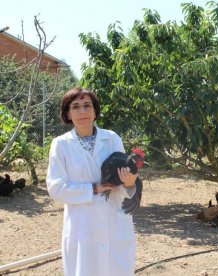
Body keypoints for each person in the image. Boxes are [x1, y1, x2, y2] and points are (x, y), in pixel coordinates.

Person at [46, 87, 138, 276]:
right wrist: (94, 188)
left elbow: (124, 182)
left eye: (87, 105)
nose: (83, 111)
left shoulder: (111, 138)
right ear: (68, 114)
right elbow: (56, 187)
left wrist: (130, 183)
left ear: (95, 111)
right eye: (76, 106)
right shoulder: (61, 144)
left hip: (115, 220)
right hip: (82, 225)